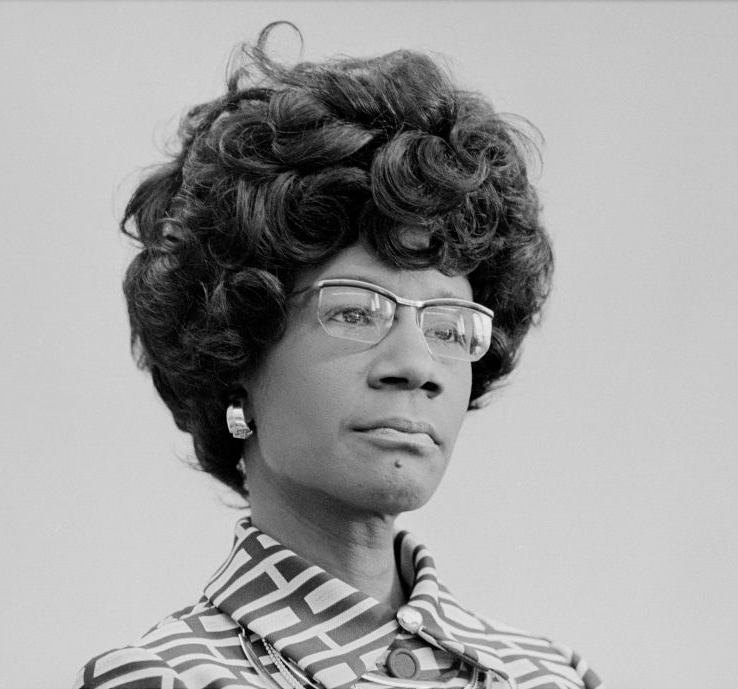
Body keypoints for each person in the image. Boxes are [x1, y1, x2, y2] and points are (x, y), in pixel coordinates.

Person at [75, 24, 603, 689]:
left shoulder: (550, 675)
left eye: (447, 324)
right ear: (235, 351)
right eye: (355, 310)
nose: (416, 365)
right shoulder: (162, 680)